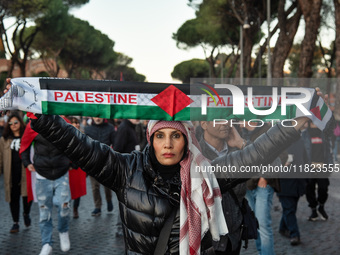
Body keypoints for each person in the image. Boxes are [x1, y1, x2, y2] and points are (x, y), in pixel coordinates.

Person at [3, 80, 327, 254]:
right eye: (161, 136)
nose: (168, 144)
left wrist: (295, 124)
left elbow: (254, 155)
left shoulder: (207, 172)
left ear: (186, 140)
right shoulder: (124, 169)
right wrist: (37, 112)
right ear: (150, 138)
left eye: (175, 136)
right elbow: (77, 144)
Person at [20, 118, 72, 255]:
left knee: (64, 205)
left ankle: (63, 230)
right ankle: (47, 243)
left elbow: (74, 143)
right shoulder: (32, 125)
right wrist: (26, 162)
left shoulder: (63, 122)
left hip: (62, 172)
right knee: (44, 212)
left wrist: (73, 163)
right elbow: (24, 144)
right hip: (42, 175)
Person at [198, 120, 246, 255]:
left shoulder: (238, 150)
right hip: (207, 242)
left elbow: (272, 169)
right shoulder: (194, 152)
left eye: (228, 119)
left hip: (233, 237)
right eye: (219, 119)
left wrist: (241, 144)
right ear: (204, 124)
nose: (226, 123)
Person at [242, 122, 284, 255]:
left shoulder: (268, 128)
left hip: (263, 183)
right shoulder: (238, 129)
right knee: (255, 223)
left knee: (263, 224)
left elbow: (278, 155)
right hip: (246, 184)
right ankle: (261, 252)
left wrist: (265, 177)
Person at [0, 111, 32, 233]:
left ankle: (26, 214)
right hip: (11, 174)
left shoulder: (26, 137)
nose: (13, 125)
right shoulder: (4, 140)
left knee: (26, 197)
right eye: (11, 123)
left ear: (20, 123)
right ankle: (15, 222)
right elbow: (0, 157)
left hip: (24, 172)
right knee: (13, 198)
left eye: (15, 122)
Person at [277, 137, 308, 246]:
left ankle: (282, 227)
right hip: (284, 181)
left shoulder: (299, 141)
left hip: (298, 181)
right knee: (289, 208)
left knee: (291, 208)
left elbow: (305, 159)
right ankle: (294, 235)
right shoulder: (278, 142)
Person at [302, 122, 333, 221]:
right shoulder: (304, 135)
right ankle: (313, 210)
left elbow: (329, 151)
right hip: (309, 167)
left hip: (322, 167)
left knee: (323, 188)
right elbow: (302, 152)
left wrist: (330, 165)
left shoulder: (324, 135)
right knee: (309, 189)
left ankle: (321, 206)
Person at [85, 117, 115, 216]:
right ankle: (97, 207)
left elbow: (115, 143)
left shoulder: (110, 128)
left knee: (107, 185)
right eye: (95, 116)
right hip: (92, 162)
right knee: (95, 187)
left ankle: (109, 200)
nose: (97, 118)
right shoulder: (87, 129)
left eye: (99, 115)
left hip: (106, 161)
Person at [68, 116, 87, 219]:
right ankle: (67, 207)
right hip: (68, 167)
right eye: (74, 122)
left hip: (78, 167)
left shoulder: (82, 136)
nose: (76, 124)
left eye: (77, 122)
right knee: (68, 189)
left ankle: (75, 208)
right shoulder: (65, 136)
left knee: (78, 189)